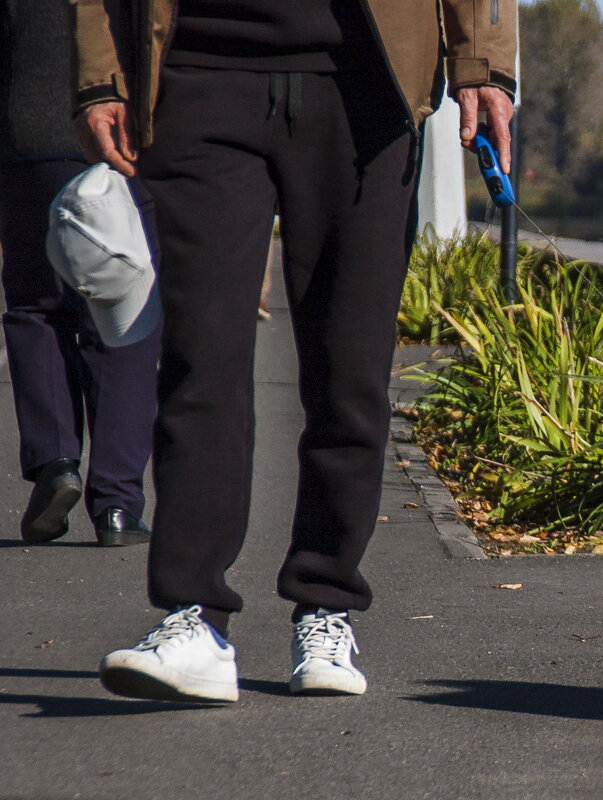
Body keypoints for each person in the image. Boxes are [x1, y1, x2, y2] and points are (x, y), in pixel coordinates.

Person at [71, 0, 516, 702]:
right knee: (200, 360)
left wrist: (484, 62)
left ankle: (326, 603)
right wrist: (100, 76)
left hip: (367, 82)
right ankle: (193, 618)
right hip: (196, 74)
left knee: (351, 372)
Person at [1, 0, 157, 547]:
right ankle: (116, 504)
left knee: (34, 305)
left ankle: (53, 463)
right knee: (120, 318)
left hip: (28, 133)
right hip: (119, 134)